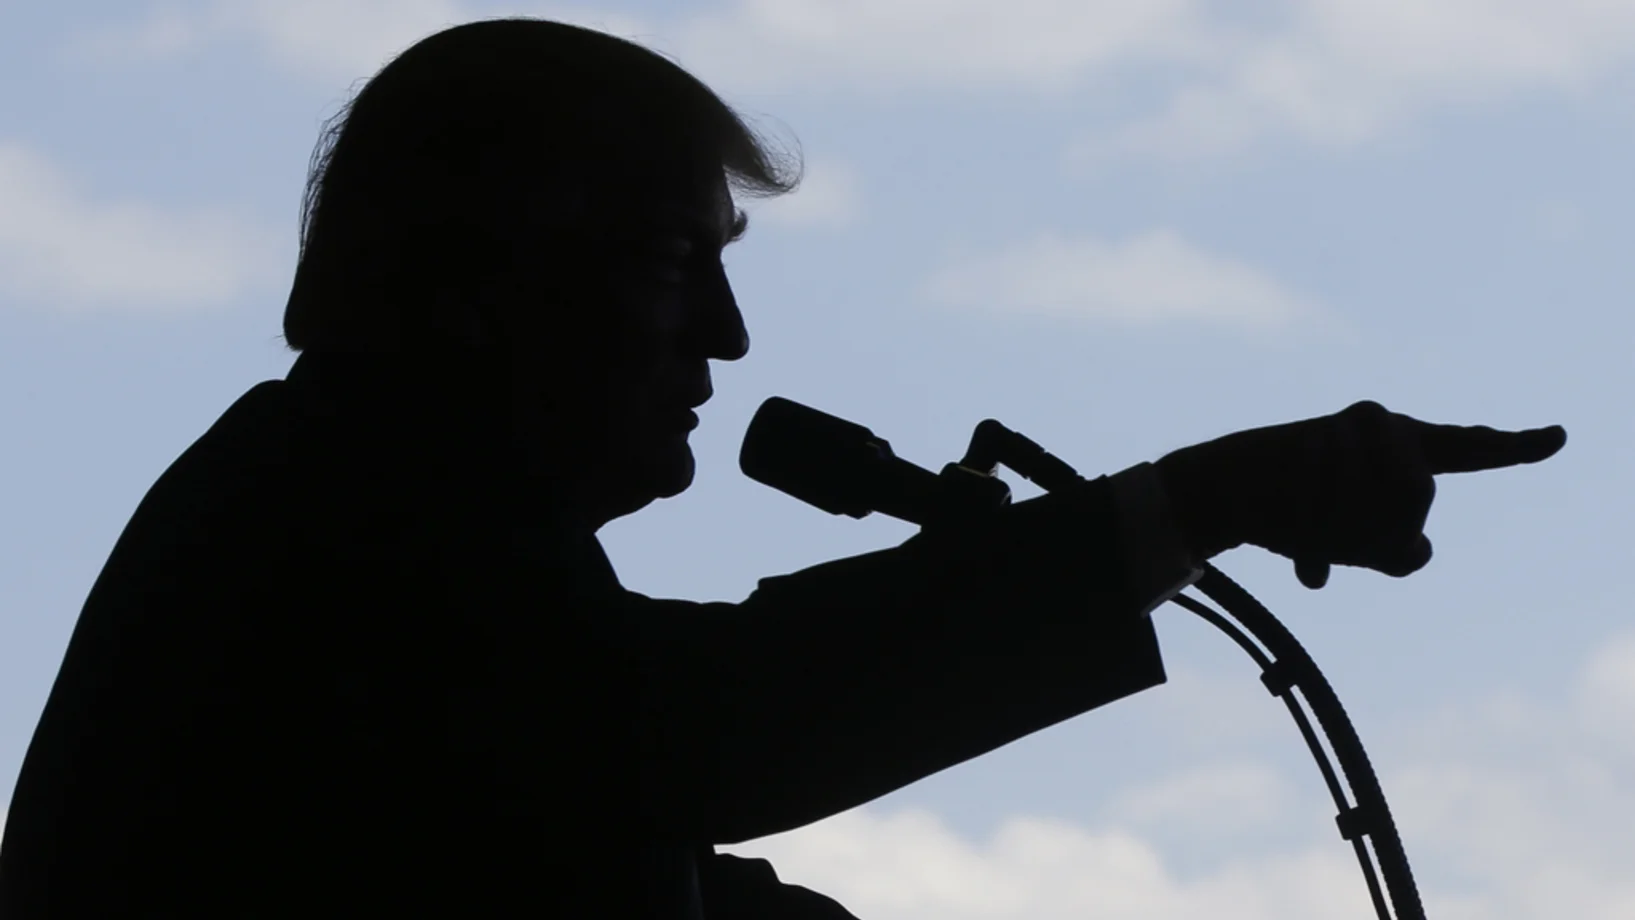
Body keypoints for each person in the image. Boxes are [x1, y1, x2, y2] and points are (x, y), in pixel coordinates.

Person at [0, 17, 1566, 920]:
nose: (732, 339)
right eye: (682, 265)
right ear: (489, 280)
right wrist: (1195, 502)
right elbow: (697, 722)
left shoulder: (351, 520)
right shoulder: (335, 531)